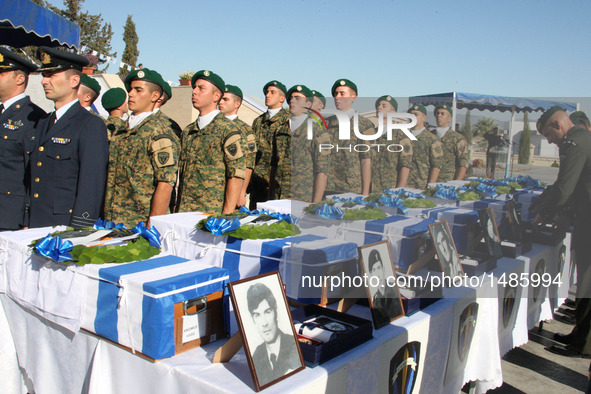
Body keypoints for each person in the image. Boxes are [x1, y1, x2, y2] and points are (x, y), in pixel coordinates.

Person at [531, 106, 591, 358]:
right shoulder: (579, 138)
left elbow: (565, 187)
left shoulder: (575, 141)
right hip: (584, 215)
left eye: (548, 134)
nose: (548, 141)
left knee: (588, 283)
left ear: (556, 125)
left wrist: (544, 213)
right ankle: (580, 335)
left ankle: (584, 345)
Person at [29, 47, 108, 228]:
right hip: (36, 221)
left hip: (64, 226)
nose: (44, 81)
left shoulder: (90, 124)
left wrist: (79, 230)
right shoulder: (44, 122)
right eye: (44, 75)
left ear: (74, 80)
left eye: (51, 75)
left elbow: (91, 184)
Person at [103, 68, 180, 228]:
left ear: (154, 96)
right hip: (113, 221)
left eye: (138, 90)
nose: (131, 94)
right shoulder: (121, 130)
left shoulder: (159, 133)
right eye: (130, 89)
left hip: (140, 224)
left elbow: (165, 183)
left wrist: (153, 226)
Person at [175, 70, 246, 214]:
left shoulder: (228, 130)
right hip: (184, 212)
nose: (194, 92)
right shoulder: (188, 131)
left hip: (211, 215)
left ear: (216, 96)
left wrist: (225, 217)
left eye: (201, 88)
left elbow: (235, 175)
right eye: (194, 87)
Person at [0, 48, 46, 231]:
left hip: (9, 215)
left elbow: (34, 172)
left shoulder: (33, 117)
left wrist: (28, 218)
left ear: (19, 79)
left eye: (1, 73)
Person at [325, 78, 375, 195]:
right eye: (336, 94)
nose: (338, 97)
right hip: (327, 187)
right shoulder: (326, 123)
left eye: (342, 94)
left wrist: (365, 193)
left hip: (351, 190)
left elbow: (366, 160)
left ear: (353, 97)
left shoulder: (364, 124)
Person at [247, 282, 301, 387]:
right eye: (257, 315)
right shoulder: (257, 356)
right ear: (253, 319)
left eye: (267, 312)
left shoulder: (293, 346)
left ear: (276, 312)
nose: (264, 323)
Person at [283, 84, 330, 202]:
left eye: (297, 98)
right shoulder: (280, 129)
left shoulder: (317, 132)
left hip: (302, 198)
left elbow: (322, 171)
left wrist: (315, 204)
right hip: (279, 197)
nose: (292, 101)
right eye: (291, 98)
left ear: (308, 104)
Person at [249, 80, 289, 209]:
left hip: (279, 185)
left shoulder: (288, 121)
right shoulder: (258, 121)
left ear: (282, 98)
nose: (268, 95)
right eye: (267, 92)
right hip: (258, 184)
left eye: (273, 92)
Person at [219, 84, 257, 208]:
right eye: (220, 98)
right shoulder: (214, 127)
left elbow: (248, 165)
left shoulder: (245, 130)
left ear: (237, 104)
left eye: (225, 99)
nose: (221, 102)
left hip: (233, 192)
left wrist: (241, 193)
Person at [371, 95, 412, 192]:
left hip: (389, 189)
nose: (379, 107)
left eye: (384, 106)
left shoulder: (401, 136)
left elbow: (405, 166)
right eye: (378, 105)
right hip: (370, 188)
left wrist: (399, 190)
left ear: (393, 112)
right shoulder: (370, 133)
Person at [406, 104, 442, 189]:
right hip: (404, 187)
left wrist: (430, 187)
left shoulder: (432, 139)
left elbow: (436, 166)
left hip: (421, 187)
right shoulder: (404, 138)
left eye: (416, 114)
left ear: (424, 117)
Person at [431, 103, 469, 182]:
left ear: (449, 118)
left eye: (442, 114)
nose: (439, 116)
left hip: (447, 182)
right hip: (429, 180)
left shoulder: (457, 138)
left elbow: (463, 163)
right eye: (437, 113)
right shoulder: (430, 136)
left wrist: (457, 184)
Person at [367, 248, 403, 326]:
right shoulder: (376, 299)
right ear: (371, 274)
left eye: (379, 268)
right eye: (373, 270)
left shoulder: (394, 289)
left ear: (383, 270)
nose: (377, 274)